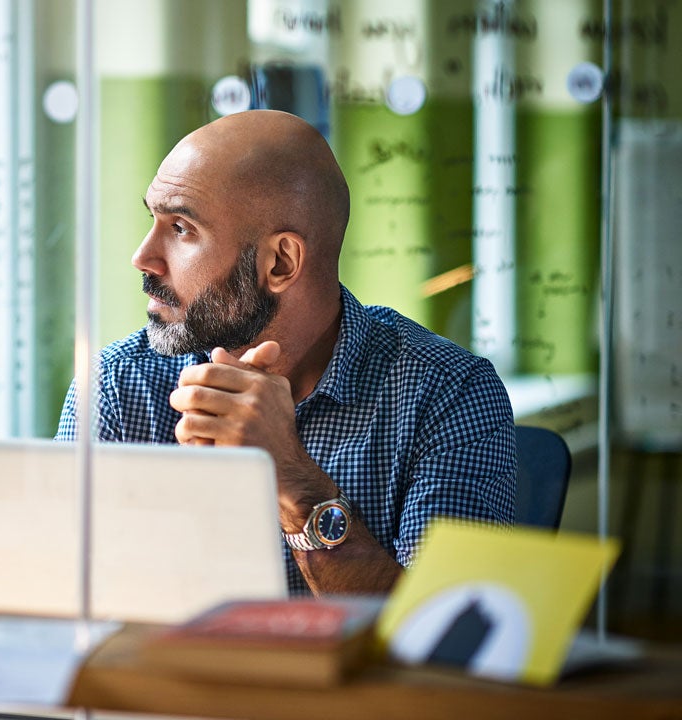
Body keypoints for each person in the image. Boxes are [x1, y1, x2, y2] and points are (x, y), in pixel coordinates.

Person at [55, 109, 516, 596]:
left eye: (182, 229)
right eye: (154, 220)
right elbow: (56, 602)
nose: (143, 257)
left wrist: (292, 479)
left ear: (280, 262)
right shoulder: (117, 384)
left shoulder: (450, 395)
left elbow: (444, 644)